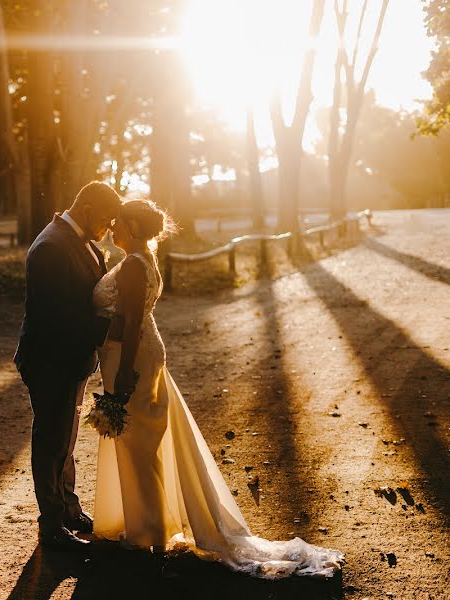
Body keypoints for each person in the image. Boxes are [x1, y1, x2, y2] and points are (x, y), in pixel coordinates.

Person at [91, 199, 344, 578]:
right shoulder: (144, 260)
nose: (111, 229)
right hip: (144, 350)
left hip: (131, 356)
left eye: (117, 224)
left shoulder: (131, 266)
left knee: (139, 445)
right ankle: (148, 528)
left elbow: (128, 325)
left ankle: (150, 534)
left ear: (132, 227)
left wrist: (125, 372)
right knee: (143, 440)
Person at [14, 181, 123, 551]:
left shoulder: (81, 243)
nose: (109, 228)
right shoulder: (51, 248)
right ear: (89, 208)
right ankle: (51, 524)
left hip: (71, 358)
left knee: (66, 438)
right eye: (107, 219)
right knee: (50, 439)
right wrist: (113, 327)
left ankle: (69, 509)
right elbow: (58, 317)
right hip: (50, 359)